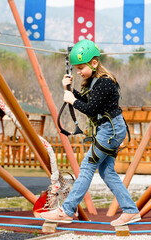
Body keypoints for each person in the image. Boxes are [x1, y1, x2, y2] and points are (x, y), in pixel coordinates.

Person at [40, 39, 141, 226]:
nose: (78, 72)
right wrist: (70, 90)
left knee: (87, 167)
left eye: (80, 68)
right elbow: (90, 99)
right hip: (111, 129)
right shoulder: (96, 82)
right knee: (106, 171)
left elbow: (91, 109)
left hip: (109, 131)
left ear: (94, 63)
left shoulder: (104, 83)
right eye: (76, 69)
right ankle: (130, 210)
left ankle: (67, 210)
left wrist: (71, 100)